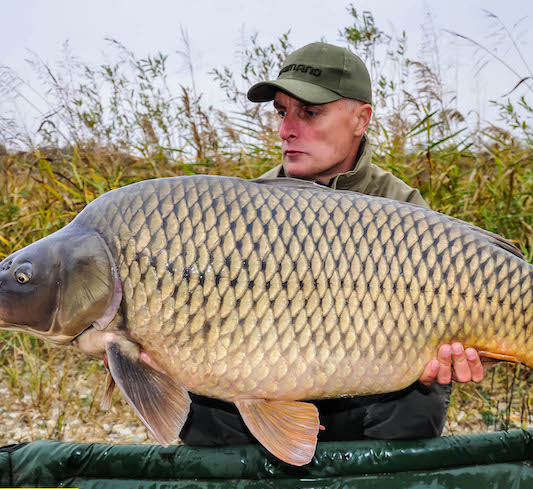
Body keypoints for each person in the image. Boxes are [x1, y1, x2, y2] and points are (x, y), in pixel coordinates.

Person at [179, 42, 485, 446]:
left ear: (361, 120)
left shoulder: (402, 207)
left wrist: (452, 350)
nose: (287, 128)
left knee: (421, 394)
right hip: (268, 391)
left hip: (364, 395)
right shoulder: (249, 208)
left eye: (309, 112)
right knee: (198, 401)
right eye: (282, 111)